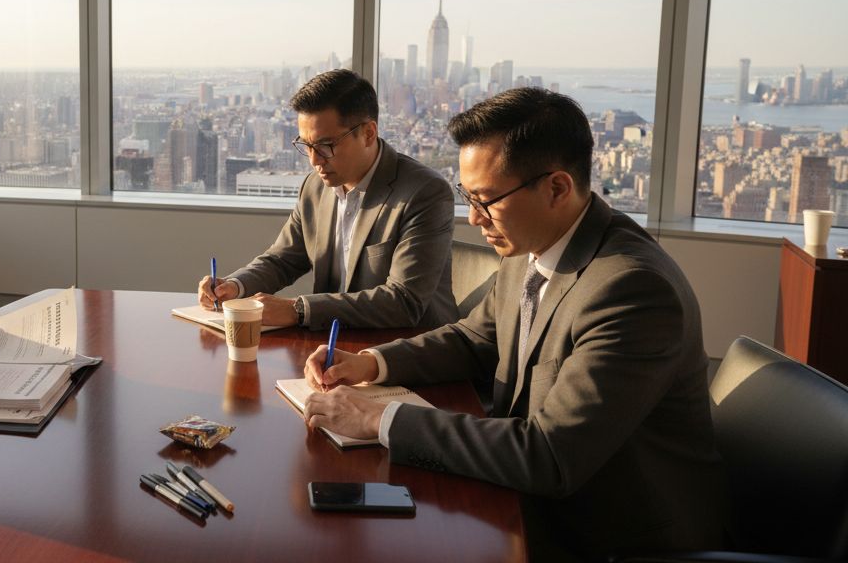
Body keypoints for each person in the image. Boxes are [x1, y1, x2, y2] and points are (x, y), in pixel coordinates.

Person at [301, 87, 727, 559]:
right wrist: (371, 363)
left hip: (603, 533)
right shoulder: (532, 241)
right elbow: (475, 337)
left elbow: (549, 455)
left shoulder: (632, 291)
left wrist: (380, 418)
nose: (473, 217)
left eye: (486, 199)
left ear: (557, 188)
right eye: (469, 195)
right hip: (523, 497)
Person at [198, 69, 456, 330]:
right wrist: (234, 285)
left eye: (325, 146)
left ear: (368, 133)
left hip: (407, 350)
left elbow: (403, 302)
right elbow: (282, 260)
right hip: (330, 347)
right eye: (306, 145)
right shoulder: (315, 187)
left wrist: (297, 310)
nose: (314, 160)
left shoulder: (423, 193)